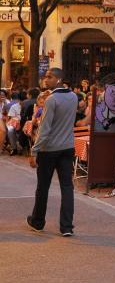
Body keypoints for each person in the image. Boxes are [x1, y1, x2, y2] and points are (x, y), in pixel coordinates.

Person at [27, 68, 78, 236]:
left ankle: (38, 221)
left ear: (58, 79)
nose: (45, 79)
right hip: (67, 147)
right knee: (67, 187)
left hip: (49, 149)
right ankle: (67, 226)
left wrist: (34, 150)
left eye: (49, 77)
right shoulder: (73, 97)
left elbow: (44, 128)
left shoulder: (51, 99)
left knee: (43, 187)